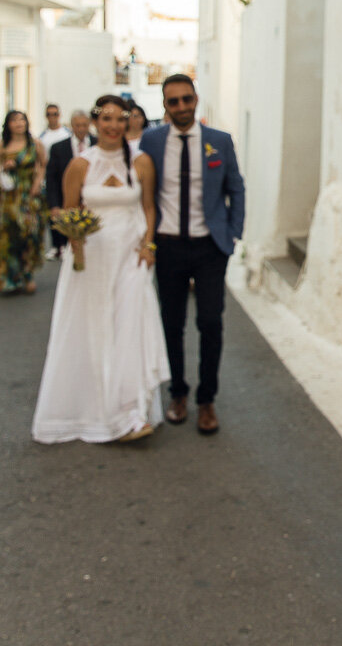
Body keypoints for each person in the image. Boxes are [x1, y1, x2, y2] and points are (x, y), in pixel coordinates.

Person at [32, 95, 168, 444]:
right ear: (95, 123)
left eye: (119, 119)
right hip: (90, 259)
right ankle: (93, 410)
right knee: (93, 330)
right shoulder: (80, 165)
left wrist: (148, 245)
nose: (113, 126)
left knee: (129, 328)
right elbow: (65, 210)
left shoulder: (141, 163)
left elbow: (150, 208)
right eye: (105, 119)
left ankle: (131, 413)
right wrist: (73, 237)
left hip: (130, 258)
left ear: (128, 123)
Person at [138, 75, 245, 435]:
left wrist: (232, 235)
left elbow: (236, 188)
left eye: (187, 99)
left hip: (209, 247)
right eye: (173, 101)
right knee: (172, 324)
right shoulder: (151, 142)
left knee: (211, 323)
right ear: (165, 105)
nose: (181, 107)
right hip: (168, 245)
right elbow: (143, 192)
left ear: (196, 99)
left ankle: (207, 399)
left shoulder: (219, 142)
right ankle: (178, 393)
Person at [0, 109, 47, 295]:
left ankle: (28, 273)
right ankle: (9, 277)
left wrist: (37, 185)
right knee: (8, 237)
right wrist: (2, 167)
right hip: (8, 196)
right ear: (8, 125)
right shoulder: (2, 145)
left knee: (30, 234)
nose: (19, 123)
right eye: (14, 120)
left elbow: (42, 165)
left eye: (22, 120)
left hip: (28, 196)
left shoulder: (35, 144)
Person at [45, 109, 95, 260]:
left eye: (84, 125)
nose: (81, 129)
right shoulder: (58, 148)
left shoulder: (97, 144)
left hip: (91, 202)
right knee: (71, 245)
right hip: (67, 201)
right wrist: (54, 205)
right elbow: (52, 179)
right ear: (71, 126)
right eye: (77, 125)